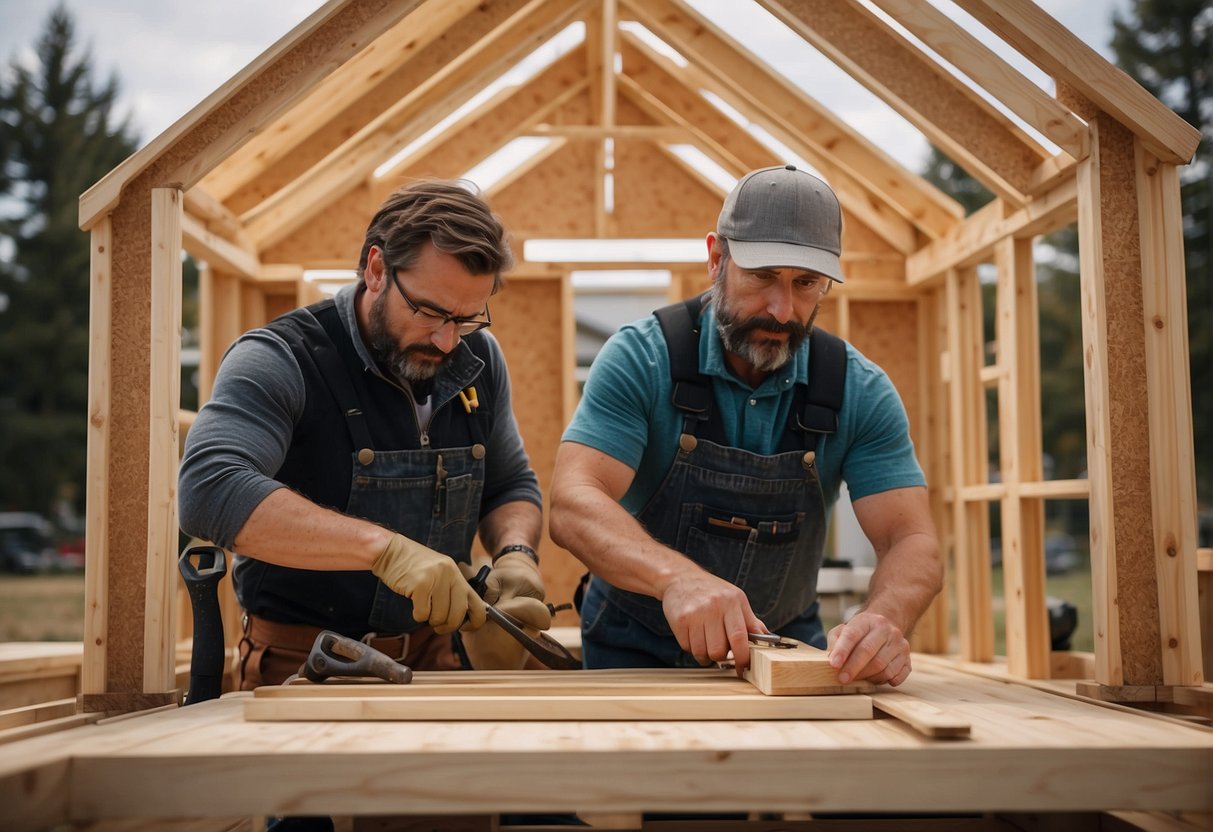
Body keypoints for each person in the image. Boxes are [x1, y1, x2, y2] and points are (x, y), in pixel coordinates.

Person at [550, 165, 942, 684]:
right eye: (762, 277)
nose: (783, 310)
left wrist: (885, 619)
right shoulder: (642, 359)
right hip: (632, 651)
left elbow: (910, 538)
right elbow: (572, 501)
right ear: (716, 258)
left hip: (786, 655)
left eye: (806, 284)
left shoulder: (857, 389)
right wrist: (678, 580)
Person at [179, 180, 551, 689]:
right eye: (430, 311)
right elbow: (210, 489)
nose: (447, 340)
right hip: (308, 666)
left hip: (436, 663)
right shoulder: (281, 358)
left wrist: (515, 555)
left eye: (466, 319)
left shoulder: (480, 360)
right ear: (376, 270)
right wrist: (384, 550)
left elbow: (509, 484)